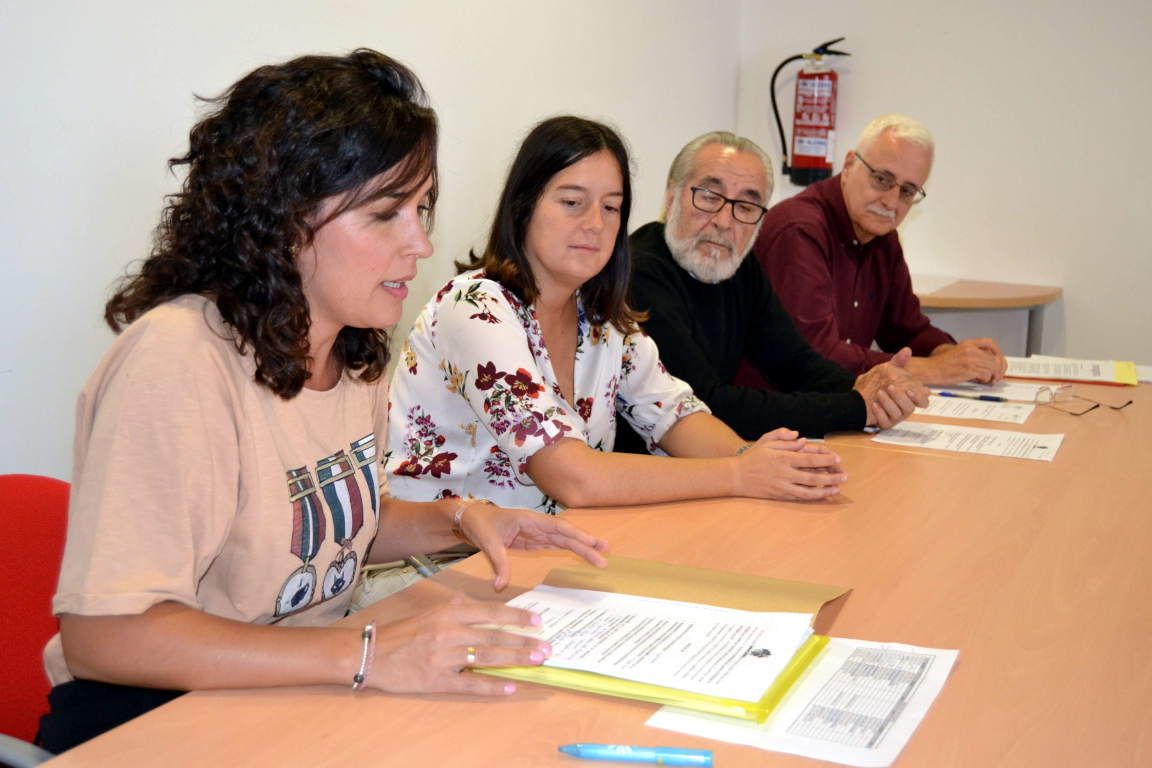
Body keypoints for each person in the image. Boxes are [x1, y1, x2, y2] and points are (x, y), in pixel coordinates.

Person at [40, 50, 609, 754]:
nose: (420, 242)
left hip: (291, 697)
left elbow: (328, 526)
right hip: (153, 722)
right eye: (386, 213)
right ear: (283, 219)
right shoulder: (177, 361)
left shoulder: (353, 354)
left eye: (421, 209)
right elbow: (105, 634)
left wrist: (462, 518)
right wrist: (368, 653)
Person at [385, 116, 847, 515]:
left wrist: (764, 464)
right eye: (572, 202)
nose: (595, 223)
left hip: (551, 548)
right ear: (523, 206)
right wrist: (739, 474)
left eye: (611, 207)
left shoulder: (601, 319)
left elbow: (675, 415)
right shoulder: (475, 307)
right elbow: (574, 477)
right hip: (448, 563)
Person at [625, 131, 928, 445]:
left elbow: (793, 361)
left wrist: (869, 387)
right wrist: (855, 407)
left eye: (746, 206)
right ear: (672, 196)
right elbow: (705, 405)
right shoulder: (640, 272)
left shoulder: (738, 266)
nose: (724, 222)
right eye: (710, 197)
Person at [753, 114, 1007, 385]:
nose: (891, 202)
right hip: (776, 404)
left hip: (834, 399)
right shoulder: (800, 230)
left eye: (907, 191)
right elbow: (814, 355)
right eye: (882, 179)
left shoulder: (882, 236)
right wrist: (935, 369)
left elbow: (906, 329)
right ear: (849, 165)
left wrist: (954, 356)